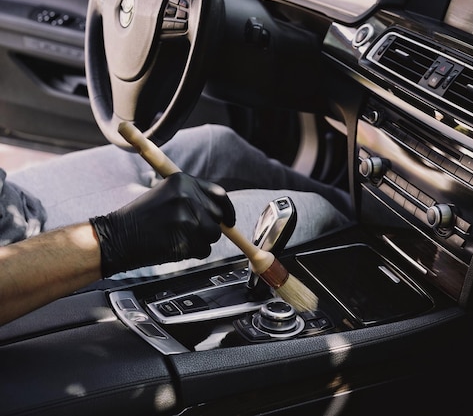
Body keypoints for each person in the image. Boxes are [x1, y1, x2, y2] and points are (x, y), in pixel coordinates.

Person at [0, 124, 353, 324]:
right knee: (313, 212)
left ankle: (359, 209)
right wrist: (113, 240)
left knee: (218, 144)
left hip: (16, 199)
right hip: (22, 265)